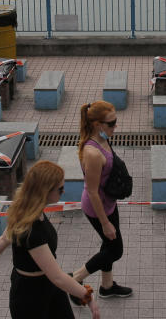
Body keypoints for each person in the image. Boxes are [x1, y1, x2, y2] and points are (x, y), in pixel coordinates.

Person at [0, 160, 100, 319]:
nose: (63, 192)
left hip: (48, 286)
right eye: (60, 189)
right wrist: (88, 296)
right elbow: (57, 277)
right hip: (30, 297)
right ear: (45, 191)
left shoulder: (26, 209)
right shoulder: (32, 229)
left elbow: (4, 239)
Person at [70, 101, 132, 299]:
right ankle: (75, 279)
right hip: (98, 209)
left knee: (108, 246)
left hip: (109, 204)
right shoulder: (93, 153)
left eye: (115, 121)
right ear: (97, 124)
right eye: (111, 123)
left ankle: (106, 286)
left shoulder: (103, 136)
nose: (115, 126)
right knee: (116, 250)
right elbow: (92, 191)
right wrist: (105, 223)